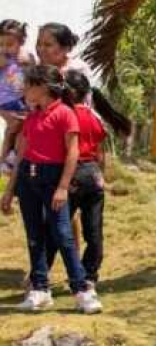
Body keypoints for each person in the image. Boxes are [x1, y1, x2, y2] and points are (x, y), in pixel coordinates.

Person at [1, 65, 101, 314]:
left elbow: (73, 152)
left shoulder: (66, 114)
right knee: (34, 237)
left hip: (53, 178)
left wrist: (63, 187)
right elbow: (22, 154)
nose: (23, 91)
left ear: (42, 88)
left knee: (63, 235)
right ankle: (40, 289)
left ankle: (81, 290)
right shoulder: (32, 116)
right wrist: (10, 189)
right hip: (29, 179)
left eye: (27, 86)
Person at [44, 71, 109, 289]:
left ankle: (40, 276)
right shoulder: (94, 117)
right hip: (93, 175)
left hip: (70, 173)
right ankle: (89, 276)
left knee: (56, 229)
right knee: (94, 231)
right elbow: (100, 153)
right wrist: (102, 177)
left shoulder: (63, 115)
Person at [1, 19, 35, 173]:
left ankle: (14, 157)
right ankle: (3, 159)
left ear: (21, 42)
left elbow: (35, 72)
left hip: (22, 101)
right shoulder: (2, 58)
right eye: (1, 44)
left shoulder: (27, 57)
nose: (4, 48)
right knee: (13, 126)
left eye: (9, 44)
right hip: (4, 102)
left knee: (24, 129)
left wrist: (28, 64)